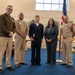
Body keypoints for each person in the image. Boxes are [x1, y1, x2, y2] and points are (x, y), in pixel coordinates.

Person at [0, 5, 16, 73]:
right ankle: (0, 67)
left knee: (9, 51)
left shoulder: (12, 18)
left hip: (10, 37)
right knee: (2, 52)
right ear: (6, 9)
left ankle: (8, 65)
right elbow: (1, 26)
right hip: (3, 36)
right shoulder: (2, 16)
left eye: (11, 9)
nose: (10, 10)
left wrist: (12, 32)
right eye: (9, 9)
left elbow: (14, 27)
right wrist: (9, 32)